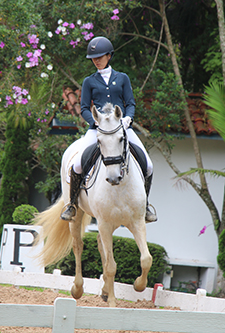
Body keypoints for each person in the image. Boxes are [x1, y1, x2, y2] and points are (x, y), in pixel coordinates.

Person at [60, 36, 157, 223]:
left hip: (121, 129)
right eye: (93, 58)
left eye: (100, 56)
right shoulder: (89, 81)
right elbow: (85, 108)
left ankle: (145, 206)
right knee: (78, 164)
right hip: (97, 130)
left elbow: (130, 103)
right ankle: (71, 204)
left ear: (109, 55)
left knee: (149, 165)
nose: (96, 60)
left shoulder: (122, 78)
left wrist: (128, 118)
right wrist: (96, 123)